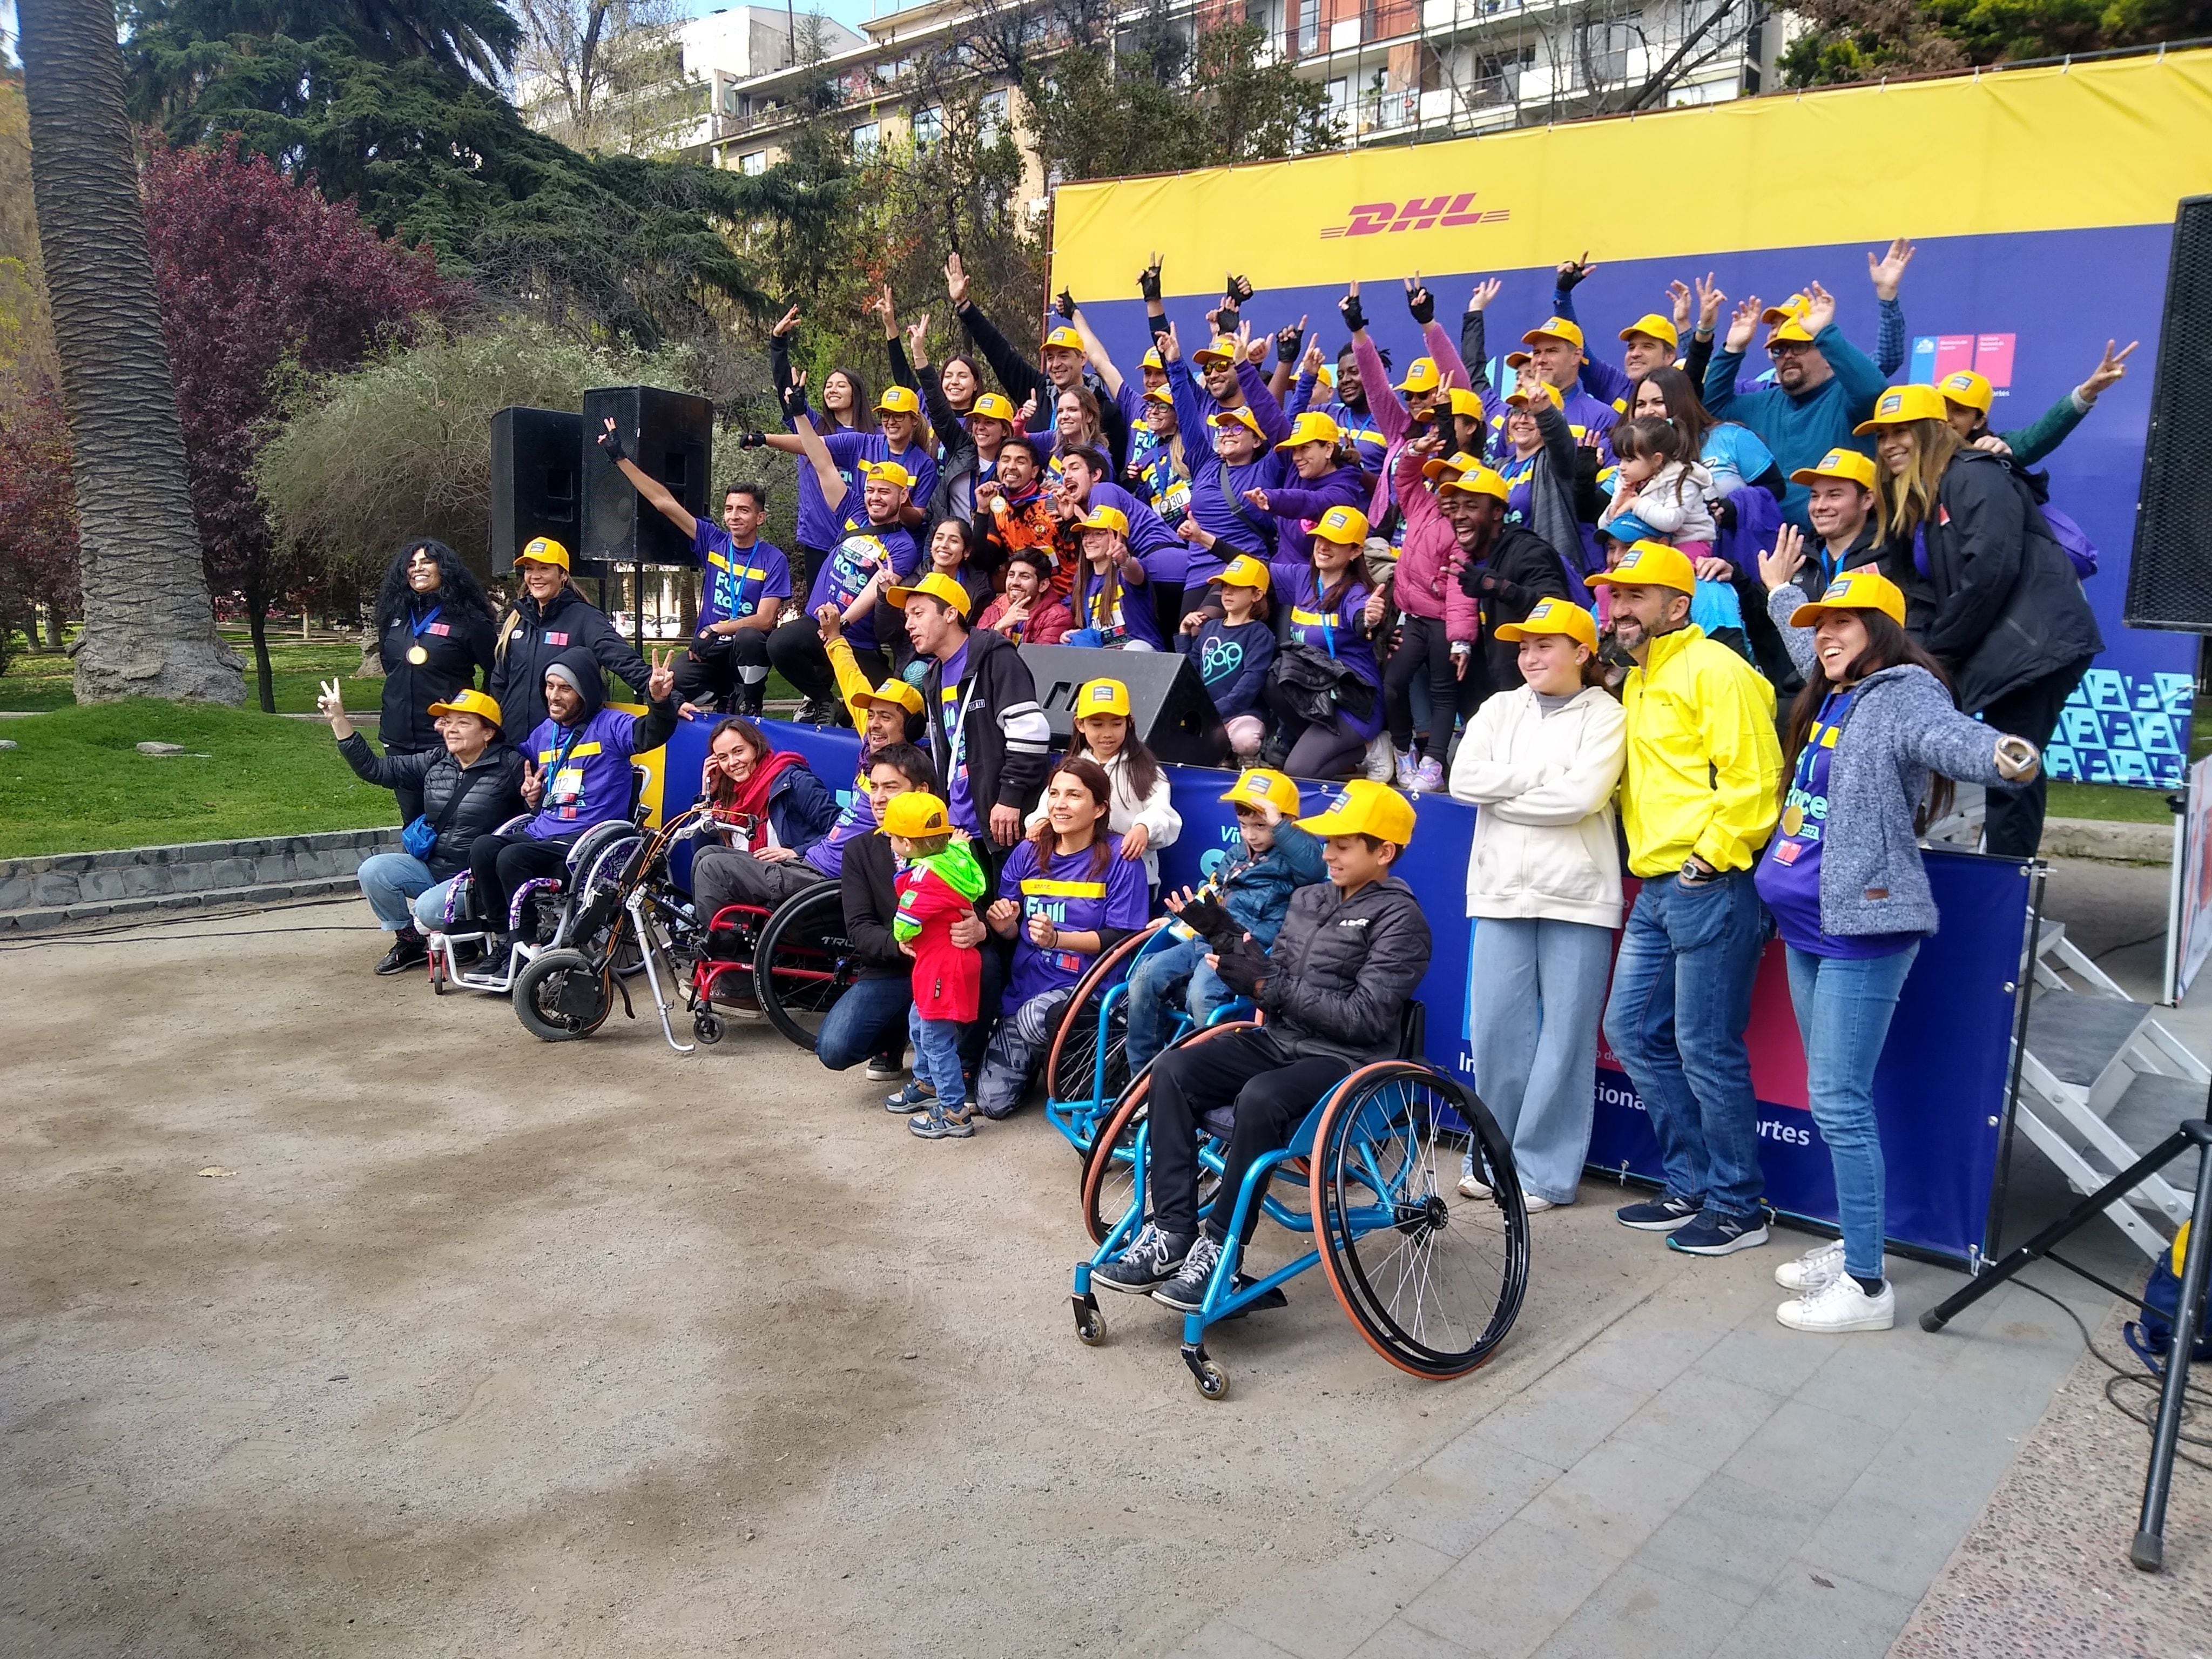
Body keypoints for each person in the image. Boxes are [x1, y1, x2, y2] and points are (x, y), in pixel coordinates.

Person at [1751, 561, 2041, 1331]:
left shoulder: (1902, 694)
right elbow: (1805, 636)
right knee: (1833, 1097)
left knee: (1839, 1104)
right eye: (1821, 627)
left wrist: (2003, 755)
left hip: (1863, 927)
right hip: (1809, 925)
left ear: (1880, 632)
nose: (1824, 638)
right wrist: (1786, 594)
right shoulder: (1839, 685)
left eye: (1841, 624)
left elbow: (1950, 737)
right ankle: (1859, 1241)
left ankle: (1867, 1286)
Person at [1091, 781, 1432, 1310]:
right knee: (1173, 1070)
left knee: (1260, 1096)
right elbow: (1272, 986)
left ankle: (1218, 1253)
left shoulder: (1401, 920)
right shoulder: (1308, 898)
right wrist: (1222, 936)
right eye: (1327, 841)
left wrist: (1265, 985)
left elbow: (1364, 1020)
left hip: (1346, 1062)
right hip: (1282, 1039)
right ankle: (1172, 1235)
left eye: (1343, 844)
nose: (1328, 853)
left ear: (1383, 852)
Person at [1589, 542, 1783, 1257]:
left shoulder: (1717, 670)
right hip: (1657, 886)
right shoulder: (1637, 680)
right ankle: (1693, 1183)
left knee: (1706, 1046)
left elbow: (1757, 780)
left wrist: (1710, 859)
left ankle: (1740, 1205)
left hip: (1710, 882)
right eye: (1617, 595)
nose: (1622, 608)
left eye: (1638, 596)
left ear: (1679, 606)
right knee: (1633, 1032)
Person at [1857, 383, 2103, 857]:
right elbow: (1918, 592)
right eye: (1882, 435)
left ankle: (2007, 883)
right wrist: (1909, 651)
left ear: (1932, 432)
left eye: (1901, 431)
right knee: (1978, 751)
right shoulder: (1920, 497)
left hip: (2037, 646)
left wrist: (1939, 653)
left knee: (2013, 761)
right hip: (2000, 644)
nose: (1889, 444)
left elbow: (1991, 569)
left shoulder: (1973, 474)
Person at [1446, 598, 1625, 1211]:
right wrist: (1539, 780)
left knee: (1566, 1041)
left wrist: (1506, 790)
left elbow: (1580, 797)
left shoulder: (1606, 715)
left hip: (1578, 894)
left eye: (1544, 645)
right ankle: (1491, 1157)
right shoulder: (1499, 707)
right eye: (1524, 646)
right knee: (1497, 1034)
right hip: (1499, 891)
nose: (1530, 656)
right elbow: (1462, 780)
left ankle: (1543, 1174)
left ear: (1581, 652)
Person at [467, 645, 680, 973]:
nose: (554, 695)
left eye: (565, 688)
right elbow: (518, 764)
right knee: (483, 848)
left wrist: (659, 702)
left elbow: (649, 734)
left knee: (511, 858)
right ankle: (506, 939)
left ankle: (526, 946)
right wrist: (528, 789)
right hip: (543, 833)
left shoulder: (611, 725)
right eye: (550, 686)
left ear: (585, 691)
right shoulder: (544, 734)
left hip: (585, 843)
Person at [974, 758, 1150, 1120]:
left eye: (1073, 795)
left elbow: (1121, 939)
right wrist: (1004, 925)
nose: (1059, 804)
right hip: (1026, 991)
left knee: (1037, 1020)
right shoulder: (1028, 852)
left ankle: (1096, 1066)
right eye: (1054, 794)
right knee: (992, 1105)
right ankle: (1051, 1065)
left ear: (1100, 807)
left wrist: (1059, 940)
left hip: (1086, 993)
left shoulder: (1121, 858)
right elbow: (1011, 928)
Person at [1124, 768, 1326, 1073]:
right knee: (1144, 975)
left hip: (1246, 951)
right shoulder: (1236, 854)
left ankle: (1205, 1078)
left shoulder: (1296, 860)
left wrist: (1279, 826)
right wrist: (1171, 918)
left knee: (1200, 995)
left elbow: (1313, 868)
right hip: (1206, 939)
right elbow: (1210, 891)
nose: (1250, 834)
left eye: (1261, 826)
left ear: (1286, 822)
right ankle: (1141, 1077)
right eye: (1244, 825)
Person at [820, 743, 1001, 1083]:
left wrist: (981, 928)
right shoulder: (859, 849)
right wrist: (898, 945)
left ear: (921, 793)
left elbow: (981, 904)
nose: (878, 797)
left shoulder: (954, 844)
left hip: (944, 964)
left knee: (987, 962)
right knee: (834, 1049)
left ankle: (965, 1063)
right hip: (892, 969)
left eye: (891, 787)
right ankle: (894, 1037)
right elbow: (859, 927)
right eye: (873, 787)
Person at [319, 682, 524, 974]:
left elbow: (534, 819)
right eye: (448, 722)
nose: (451, 729)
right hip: (433, 868)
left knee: (428, 910)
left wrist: (533, 797)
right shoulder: (437, 760)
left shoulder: (511, 765)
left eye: (464, 723)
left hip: (478, 879)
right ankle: (411, 941)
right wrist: (339, 719)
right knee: (374, 870)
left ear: (489, 733)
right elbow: (376, 770)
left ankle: (465, 935)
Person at [601, 423, 791, 717]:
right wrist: (620, 459)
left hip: (742, 647)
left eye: (743, 510)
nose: (734, 516)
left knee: (750, 638)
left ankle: (750, 699)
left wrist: (715, 629)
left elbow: (766, 620)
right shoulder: (714, 541)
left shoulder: (773, 558)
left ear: (760, 517)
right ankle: (719, 693)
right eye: (729, 509)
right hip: (709, 652)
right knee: (667, 688)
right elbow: (664, 503)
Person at [765, 387, 925, 722]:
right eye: (870, 490)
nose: (875, 498)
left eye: (884, 492)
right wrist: (799, 414)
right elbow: (822, 462)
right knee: (779, 644)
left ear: (903, 495)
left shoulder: (904, 545)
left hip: (855, 637)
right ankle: (823, 699)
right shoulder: (852, 508)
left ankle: (844, 713)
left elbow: (872, 591)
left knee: (885, 712)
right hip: (818, 623)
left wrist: (842, 624)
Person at [897, 570, 1052, 869]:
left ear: (951, 614)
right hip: (961, 828)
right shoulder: (934, 675)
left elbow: (1031, 733)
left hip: (1005, 823)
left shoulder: (996, 657)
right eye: (906, 617)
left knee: (1005, 912)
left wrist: (1010, 796)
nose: (909, 625)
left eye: (918, 613)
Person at [1702, 282, 1889, 531]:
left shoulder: (1846, 397)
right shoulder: (1763, 403)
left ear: (1825, 353)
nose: (1788, 356)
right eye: (1780, 350)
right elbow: (1711, 407)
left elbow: (1873, 390)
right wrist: (1733, 350)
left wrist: (1826, 333)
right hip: (1770, 543)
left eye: (1799, 347)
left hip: (1841, 538)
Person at [879, 791, 992, 1142]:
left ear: (908, 845)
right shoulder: (951, 859)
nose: (891, 845)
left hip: (941, 968)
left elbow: (906, 920)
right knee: (920, 1019)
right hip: (947, 964)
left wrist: (900, 933)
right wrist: (957, 844)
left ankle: (954, 1111)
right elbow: (963, 857)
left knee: (935, 1036)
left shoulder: (924, 879)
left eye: (894, 839)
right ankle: (928, 1083)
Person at [370, 538, 497, 824]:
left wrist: (476, 715)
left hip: (445, 738)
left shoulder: (469, 619)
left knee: (446, 820)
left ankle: (449, 870)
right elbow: (390, 663)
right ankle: (413, 869)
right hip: (398, 737)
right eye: (412, 564)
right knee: (411, 821)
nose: (418, 569)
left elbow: (496, 670)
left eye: (427, 562)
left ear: (444, 568)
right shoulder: (396, 615)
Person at [1384, 435, 1482, 788]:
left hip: (1443, 621)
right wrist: (1415, 450)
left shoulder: (1462, 531)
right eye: (1440, 482)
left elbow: (1460, 588)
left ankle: (1434, 763)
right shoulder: (1421, 505)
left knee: (1444, 693)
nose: (1444, 490)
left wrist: (1461, 641)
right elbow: (1405, 478)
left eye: (1452, 486)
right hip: (1411, 617)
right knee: (1394, 685)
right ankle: (1402, 749)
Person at [487, 536, 652, 741]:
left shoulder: (585, 618)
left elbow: (622, 659)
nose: (535, 576)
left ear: (563, 574)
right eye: (529, 569)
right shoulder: (517, 620)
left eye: (544, 569)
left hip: (564, 744)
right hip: (514, 744)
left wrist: (667, 698)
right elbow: (500, 681)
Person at [1265, 504, 1384, 780]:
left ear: (1355, 551)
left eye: (1336, 543)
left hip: (1353, 702)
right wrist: (1204, 540)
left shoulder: (1356, 593)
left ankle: (1368, 748)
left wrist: (1369, 619)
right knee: (1273, 678)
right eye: (1321, 538)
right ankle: (1323, 747)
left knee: (1298, 770)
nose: (1324, 547)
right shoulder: (1302, 578)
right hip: (1317, 694)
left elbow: (1362, 619)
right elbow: (1256, 566)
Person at [689, 717, 841, 920]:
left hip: (799, 874)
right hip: (758, 879)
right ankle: (724, 941)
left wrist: (795, 852)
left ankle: (726, 951)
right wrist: (708, 795)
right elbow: (698, 847)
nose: (733, 763)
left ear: (756, 747)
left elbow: (841, 832)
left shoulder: (794, 781)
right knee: (705, 856)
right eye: (723, 757)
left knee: (713, 866)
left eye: (738, 751)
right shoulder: (728, 795)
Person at [1035, 677, 1182, 889]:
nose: (1107, 734)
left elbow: (1164, 815)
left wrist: (1145, 828)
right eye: (1097, 724)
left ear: (1129, 723)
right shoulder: (1070, 769)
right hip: (1076, 880)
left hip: (1132, 878)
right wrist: (1040, 824)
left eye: (1116, 724)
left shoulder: (1146, 769)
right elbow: (1047, 810)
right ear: (1080, 724)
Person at [1446, 466, 1573, 710]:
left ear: (1496, 513)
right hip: (1490, 698)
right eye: (1455, 507)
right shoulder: (1463, 557)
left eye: (1471, 506)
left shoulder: (1527, 551)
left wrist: (1497, 587)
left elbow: (1556, 606)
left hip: (1534, 696)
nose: (1459, 516)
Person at [766, 304, 873, 594]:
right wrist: (778, 343)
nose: (832, 390)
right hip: (818, 540)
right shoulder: (813, 428)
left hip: (862, 539)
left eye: (841, 385)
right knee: (818, 615)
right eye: (828, 386)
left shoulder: (873, 437)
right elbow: (787, 394)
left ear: (856, 392)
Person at [760, 379, 936, 538]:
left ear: (914, 420)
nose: (890, 422)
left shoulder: (924, 464)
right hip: (857, 534)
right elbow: (813, 445)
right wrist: (764, 439)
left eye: (898, 416)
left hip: (895, 543)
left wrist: (895, 498)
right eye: (885, 415)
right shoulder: (863, 443)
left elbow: (916, 520)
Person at [1936, 341, 2135, 466]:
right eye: (1942, 407)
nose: (1947, 418)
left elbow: (2041, 434)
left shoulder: (1992, 449)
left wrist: (2089, 391)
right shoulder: (1914, 442)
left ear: (1978, 422)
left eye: (1960, 411)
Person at [1175, 554, 1274, 761]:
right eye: (1225, 586)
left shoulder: (1259, 633)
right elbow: (1188, 674)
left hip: (1243, 714)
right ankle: (1224, 758)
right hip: (1207, 714)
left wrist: (1211, 711)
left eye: (1237, 587)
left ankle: (1246, 763)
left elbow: (1250, 683)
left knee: (1245, 740)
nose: (1228, 592)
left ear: (1256, 595)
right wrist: (1184, 633)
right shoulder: (1210, 627)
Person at [975, 436, 1065, 598]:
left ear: (1034, 471)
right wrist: (982, 511)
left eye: (1020, 461)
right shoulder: (998, 507)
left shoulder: (1051, 501)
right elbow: (982, 561)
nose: (1011, 467)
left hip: (1065, 596)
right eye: (1005, 460)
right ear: (998, 467)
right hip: (1025, 596)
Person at [1068, 504, 1165, 650]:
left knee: (1135, 648)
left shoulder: (1127, 569)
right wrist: (1074, 635)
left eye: (1098, 534)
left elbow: (1134, 572)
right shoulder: (1082, 580)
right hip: (1103, 657)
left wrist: (1123, 559)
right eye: (1086, 534)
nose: (1089, 540)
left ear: (1118, 538)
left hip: (1141, 653)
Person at [977, 547, 1073, 646]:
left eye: (1024, 577)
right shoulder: (995, 610)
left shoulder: (1057, 617)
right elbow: (975, 651)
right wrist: (1000, 626)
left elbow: (1037, 660)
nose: (1015, 582)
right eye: (1011, 575)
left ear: (1043, 585)